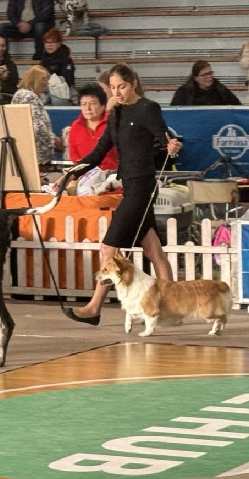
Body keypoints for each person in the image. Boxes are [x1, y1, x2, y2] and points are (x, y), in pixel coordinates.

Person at [55, 63, 182, 325]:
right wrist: (71, 174)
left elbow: (163, 137)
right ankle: (174, 309)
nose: (117, 92)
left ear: (133, 82)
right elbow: (99, 152)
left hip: (142, 188)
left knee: (108, 247)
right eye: (113, 88)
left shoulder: (148, 108)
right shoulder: (116, 115)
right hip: (131, 187)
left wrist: (172, 145)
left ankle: (93, 308)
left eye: (121, 86)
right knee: (153, 251)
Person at [10, 65, 63, 166]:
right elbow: (37, 128)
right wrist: (53, 140)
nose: (44, 89)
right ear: (35, 82)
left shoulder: (20, 95)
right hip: (36, 156)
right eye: (43, 85)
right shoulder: (29, 97)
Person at [68, 84, 118, 170]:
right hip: (86, 175)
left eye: (92, 104)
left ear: (103, 106)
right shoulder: (76, 126)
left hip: (112, 174)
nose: (88, 108)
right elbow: (73, 152)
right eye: (84, 104)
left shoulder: (112, 123)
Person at [170, 60, 240, 106]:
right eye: (204, 75)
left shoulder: (221, 90)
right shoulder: (184, 92)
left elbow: (237, 107)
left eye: (210, 73)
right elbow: (175, 112)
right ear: (196, 78)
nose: (209, 77)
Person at [39, 28, 76, 105]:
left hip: (63, 90)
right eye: (47, 42)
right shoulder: (44, 58)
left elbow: (68, 79)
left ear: (59, 44)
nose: (49, 45)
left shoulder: (65, 58)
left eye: (52, 42)